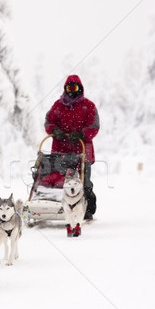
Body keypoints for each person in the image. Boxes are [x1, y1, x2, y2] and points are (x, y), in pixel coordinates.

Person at [44, 74, 100, 220]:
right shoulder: (58, 106)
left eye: (74, 87)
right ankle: (56, 206)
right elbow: (48, 122)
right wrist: (55, 131)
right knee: (59, 180)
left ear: (80, 88)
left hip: (83, 151)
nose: (71, 91)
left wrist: (82, 133)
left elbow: (94, 126)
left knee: (84, 182)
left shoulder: (89, 106)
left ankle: (87, 209)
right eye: (69, 87)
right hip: (61, 151)